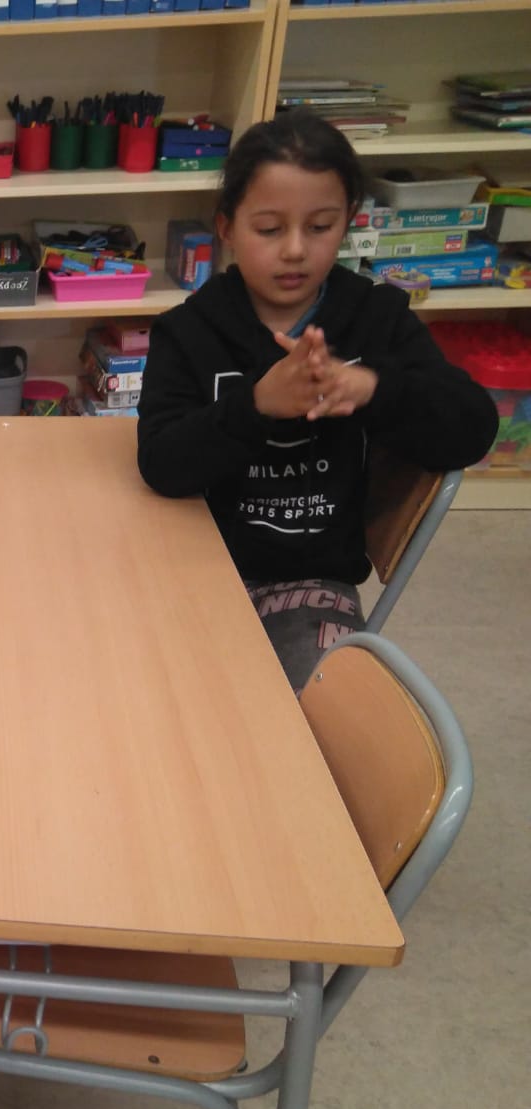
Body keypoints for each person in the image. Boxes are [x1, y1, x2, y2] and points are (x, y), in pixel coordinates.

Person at [137, 110, 498, 689]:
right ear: (227, 226)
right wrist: (256, 404)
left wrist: (373, 389)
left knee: (320, 702)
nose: (295, 250)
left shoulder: (375, 318)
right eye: (269, 229)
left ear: (348, 222)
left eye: (321, 226)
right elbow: (162, 463)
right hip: (190, 563)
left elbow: (472, 428)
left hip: (310, 583)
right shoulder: (188, 332)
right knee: (131, 681)